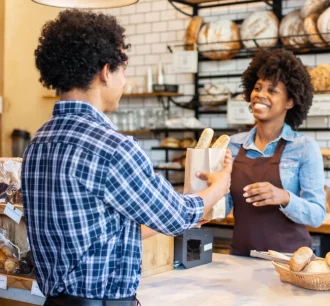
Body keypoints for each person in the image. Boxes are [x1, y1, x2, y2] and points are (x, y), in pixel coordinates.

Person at [22, 9, 231, 306]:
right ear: (106, 71)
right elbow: (176, 216)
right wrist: (219, 186)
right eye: (123, 70)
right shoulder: (113, 148)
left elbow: (99, 234)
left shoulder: (37, 144)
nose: (124, 80)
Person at [226, 49, 326, 256]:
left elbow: (317, 215)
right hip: (241, 259)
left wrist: (284, 197)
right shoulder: (233, 146)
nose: (260, 94)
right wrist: (209, 187)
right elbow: (221, 210)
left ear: (290, 102)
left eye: (272, 91)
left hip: (291, 262)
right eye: (257, 87)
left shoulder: (304, 147)